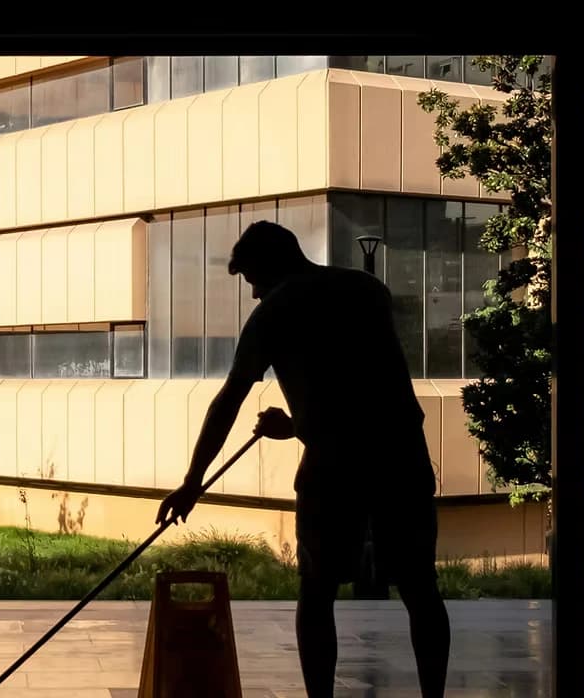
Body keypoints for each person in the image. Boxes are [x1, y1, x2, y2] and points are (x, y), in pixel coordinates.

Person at [156, 221, 449, 698]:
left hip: (334, 470)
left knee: (317, 590)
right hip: (401, 456)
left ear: (270, 267)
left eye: (252, 279)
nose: (252, 294)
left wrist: (193, 481)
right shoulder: (367, 290)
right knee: (420, 587)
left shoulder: (275, 312)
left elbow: (229, 400)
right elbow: (363, 393)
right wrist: (296, 426)